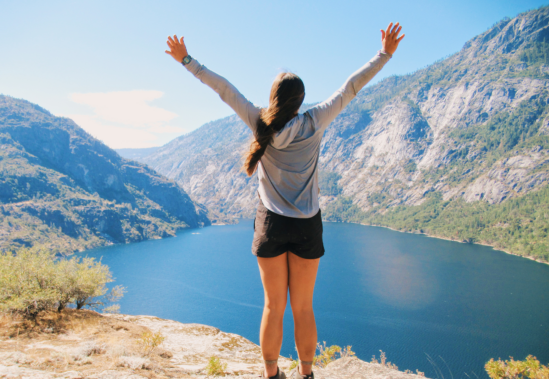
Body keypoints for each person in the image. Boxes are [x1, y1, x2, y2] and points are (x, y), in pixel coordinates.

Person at [165, 23, 404, 379]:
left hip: (271, 223)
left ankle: (271, 374)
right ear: (301, 100)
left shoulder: (260, 122)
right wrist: (384, 54)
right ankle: (306, 375)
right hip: (308, 223)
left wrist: (186, 59)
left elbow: (225, 90)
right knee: (303, 307)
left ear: (274, 97)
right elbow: (351, 87)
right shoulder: (315, 121)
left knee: (272, 306)